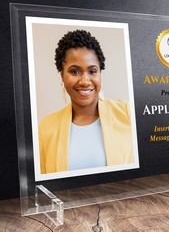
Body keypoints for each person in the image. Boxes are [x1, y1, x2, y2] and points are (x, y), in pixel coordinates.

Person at [39, 29, 133, 174]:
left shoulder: (128, 114)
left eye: (92, 71)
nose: (84, 81)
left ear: (100, 73)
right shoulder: (46, 127)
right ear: (62, 75)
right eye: (74, 71)